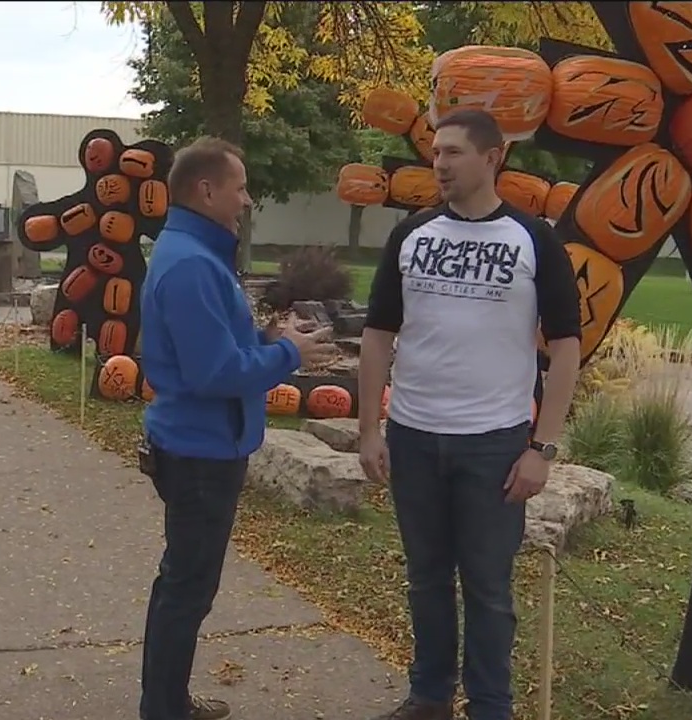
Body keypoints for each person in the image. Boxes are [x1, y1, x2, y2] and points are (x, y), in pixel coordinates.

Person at [356, 109, 582, 720]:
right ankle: (430, 696)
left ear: (492, 158)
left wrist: (544, 447)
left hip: (495, 445)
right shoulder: (413, 235)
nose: (440, 163)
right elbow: (378, 334)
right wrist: (370, 429)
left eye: (454, 152)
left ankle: (490, 705)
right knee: (426, 579)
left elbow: (565, 350)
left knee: (487, 588)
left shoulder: (534, 240)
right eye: (436, 152)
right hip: (413, 436)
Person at [137, 136, 338, 720]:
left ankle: (167, 700)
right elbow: (214, 372)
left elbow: (218, 349)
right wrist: (287, 357)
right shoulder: (193, 265)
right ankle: (164, 708)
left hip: (203, 444)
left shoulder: (194, 253)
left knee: (185, 585)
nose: (247, 199)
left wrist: (270, 341)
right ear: (206, 190)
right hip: (201, 453)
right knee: (186, 589)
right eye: (240, 186)